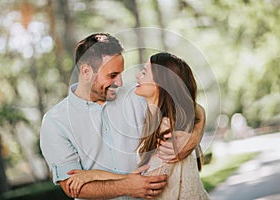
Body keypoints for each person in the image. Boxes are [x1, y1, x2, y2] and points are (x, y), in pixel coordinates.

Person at [40, 33, 206, 199]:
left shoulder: (136, 94)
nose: (120, 83)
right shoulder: (55, 122)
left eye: (120, 73)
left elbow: (188, 105)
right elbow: (72, 187)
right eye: (112, 75)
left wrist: (193, 136)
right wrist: (126, 186)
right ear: (86, 71)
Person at [135, 52, 209, 199]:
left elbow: (148, 188)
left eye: (144, 73)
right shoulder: (170, 122)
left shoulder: (168, 131)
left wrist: (93, 178)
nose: (137, 76)